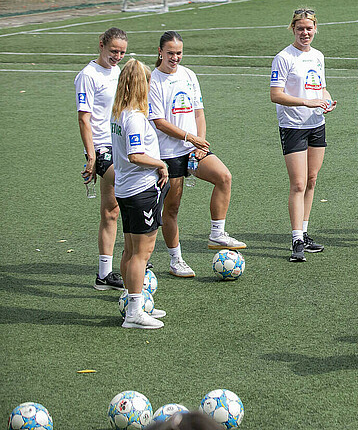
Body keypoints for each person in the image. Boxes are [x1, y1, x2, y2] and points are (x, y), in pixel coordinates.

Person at [148, 32, 244, 279]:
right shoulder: (152, 81)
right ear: (160, 52)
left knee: (223, 176)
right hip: (167, 153)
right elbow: (158, 122)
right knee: (172, 208)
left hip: (192, 149)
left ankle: (217, 232)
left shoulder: (189, 75)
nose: (175, 58)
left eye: (178, 53)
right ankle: (175, 259)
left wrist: (199, 143)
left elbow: (199, 112)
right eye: (170, 53)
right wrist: (190, 138)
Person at [270, 8, 335, 263]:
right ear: (293, 29)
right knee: (297, 183)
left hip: (316, 124)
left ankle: (305, 233)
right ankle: (296, 238)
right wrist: (306, 103)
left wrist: (326, 100)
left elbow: (321, 87)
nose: (305, 33)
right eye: (300, 29)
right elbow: (276, 94)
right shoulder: (284, 57)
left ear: (315, 29)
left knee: (311, 180)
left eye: (309, 28)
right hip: (293, 126)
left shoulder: (318, 56)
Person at [111, 59, 169, 329]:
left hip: (126, 189)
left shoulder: (120, 114)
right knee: (141, 254)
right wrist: (160, 164)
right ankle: (134, 311)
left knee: (131, 249)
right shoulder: (134, 118)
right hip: (139, 191)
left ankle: (133, 300)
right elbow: (135, 155)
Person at [76, 27, 128, 291]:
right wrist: (91, 156)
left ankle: (104, 275)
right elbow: (84, 118)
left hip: (119, 143)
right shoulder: (87, 76)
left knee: (111, 211)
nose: (117, 56)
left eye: (121, 52)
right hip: (101, 148)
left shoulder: (117, 71)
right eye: (113, 51)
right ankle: (132, 257)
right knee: (129, 190)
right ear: (101, 45)